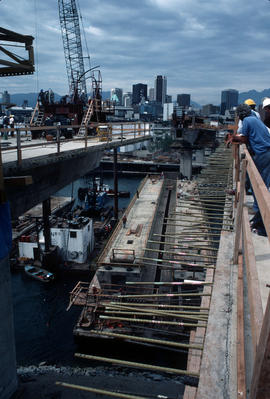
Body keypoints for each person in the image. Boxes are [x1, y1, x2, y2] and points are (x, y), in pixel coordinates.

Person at [231, 104, 270, 235]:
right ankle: (258, 216)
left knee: (257, 185)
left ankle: (259, 215)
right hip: (266, 152)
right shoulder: (254, 119)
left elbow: (244, 138)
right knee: (262, 183)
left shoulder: (247, 120)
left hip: (262, 154)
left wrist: (233, 138)